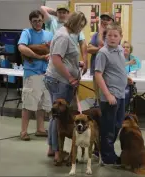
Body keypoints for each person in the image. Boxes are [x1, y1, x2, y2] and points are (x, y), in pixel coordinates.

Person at [44, 11, 87, 165]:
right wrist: (70, 77)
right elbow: (56, 59)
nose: (81, 29)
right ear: (76, 23)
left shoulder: (67, 34)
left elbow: (64, 58)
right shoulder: (63, 36)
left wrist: (77, 64)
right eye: (81, 26)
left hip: (60, 80)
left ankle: (53, 148)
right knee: (59, 116)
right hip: (59, 81)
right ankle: (57, 152)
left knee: (55, 116)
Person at [95, 23, 133, 165]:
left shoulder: (120, 50)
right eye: (109, 35)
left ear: (120, 37)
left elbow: (118, 68)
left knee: (117, 124)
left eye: (115, 35)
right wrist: (108, 94)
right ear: (105, 36)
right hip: (110, 96)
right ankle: (108, 157)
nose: (112, 38)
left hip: (121, 94)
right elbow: (98, 75)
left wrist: (125, 77)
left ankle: (100, 150)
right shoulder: (103, 53)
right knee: (108, 127)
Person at [18, 10, 53, 141]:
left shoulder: (49, 34)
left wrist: (33, 49)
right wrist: (39, 55)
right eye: (34, 21)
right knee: (28, 104)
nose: (37, 23)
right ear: (30, 22)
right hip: (32, 73)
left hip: (46, 73)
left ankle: (40, 129)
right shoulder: (26, 33)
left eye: (39, 20)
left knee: (43, 104)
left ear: (43, 20)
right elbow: (22, 48)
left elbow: (52, 50)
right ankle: (23, 131)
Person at [40, 4, 88, 75]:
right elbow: (42, 8)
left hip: (69, 62)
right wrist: (56, 13)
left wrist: (85, 60)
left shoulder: (75, 26)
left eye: (64, 12)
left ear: (68, 14)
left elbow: (83, 43)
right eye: (60, 12)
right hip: (57, 62)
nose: (62, 14)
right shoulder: (52, 22)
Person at [87, 12, 114, 106]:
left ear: (112, 22)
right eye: (103, 19)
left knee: (108, 98)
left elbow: (104, 48)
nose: (105, 21)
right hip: (97, 70)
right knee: (98, 98)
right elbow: (89, 49)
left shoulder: (113, 35)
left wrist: (101, 33)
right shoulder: (95, 35)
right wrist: (99, 49)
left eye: (108, 19)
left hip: (109, 72)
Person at [122, 41, 141, 106]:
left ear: (131, 49)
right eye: (123, 47)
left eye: (127, 47)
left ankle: (126, 109)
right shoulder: (118, 58)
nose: (125, 48)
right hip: (120, 82)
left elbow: (138, 70)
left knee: (127, 92)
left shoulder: (135, 59)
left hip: (131, 83)